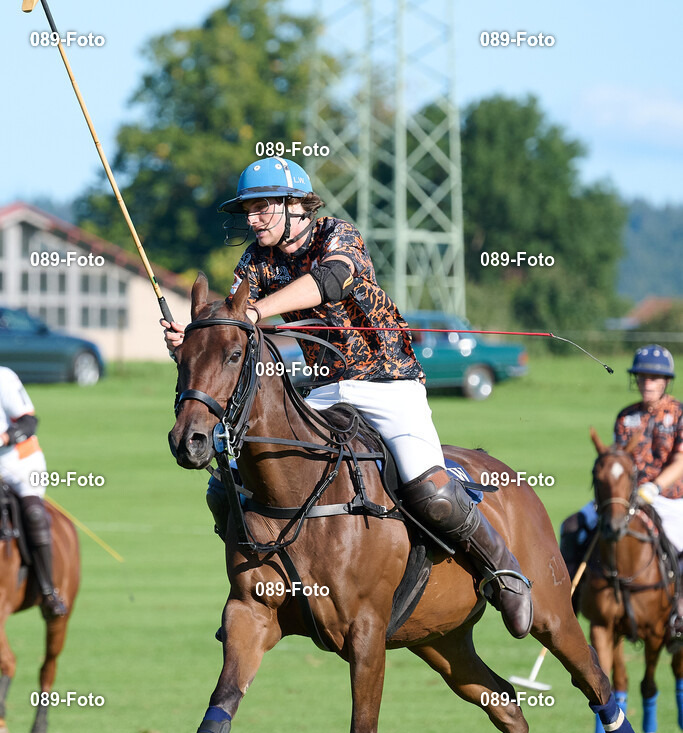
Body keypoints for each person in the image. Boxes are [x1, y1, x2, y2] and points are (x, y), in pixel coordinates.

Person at [163, 156, 533, 638]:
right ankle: (261, 587)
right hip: (320, 389)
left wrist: (257, 310)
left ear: (297, 207)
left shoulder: (337, 235)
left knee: (430, 489)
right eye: (247, 210)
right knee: (229, 481)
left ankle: (502, 571)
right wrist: (190, 338)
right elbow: (231, 328)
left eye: (262, 208)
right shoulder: (253, 262)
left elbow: (329, 281)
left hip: (387, 379)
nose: (251, 219)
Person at [560, 344, 683, 645]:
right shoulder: (625, 417)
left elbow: (681, 460)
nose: (647, 383)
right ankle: (568, 607)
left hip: (668, 497)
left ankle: (679, 612)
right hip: (623, 497)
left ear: (666, 381)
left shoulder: (679, 413)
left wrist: (654, 487)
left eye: (654, 377)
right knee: (573, 526)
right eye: (642, 377)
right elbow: (618, 457)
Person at [0, 367, 67, 616]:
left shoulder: (3, 378)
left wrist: (4, 438)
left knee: (34, 514)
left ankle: (49, 593)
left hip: (18, 464)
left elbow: (29, 422)